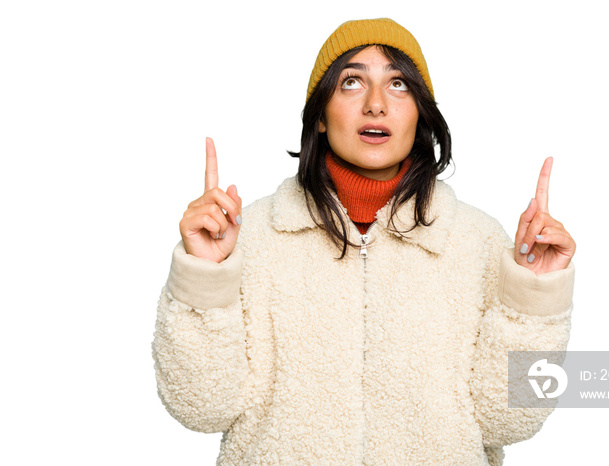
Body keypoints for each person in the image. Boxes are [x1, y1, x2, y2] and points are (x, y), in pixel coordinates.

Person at [152, 18, 576, 466]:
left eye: (398, 84)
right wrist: (205, 276)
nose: (376, 104)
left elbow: (510, 422)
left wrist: (534, 299)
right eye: (352, 82)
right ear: (319, 115)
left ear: (421, 115)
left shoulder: (480, 243)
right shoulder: (252, 237)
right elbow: (199, 407)